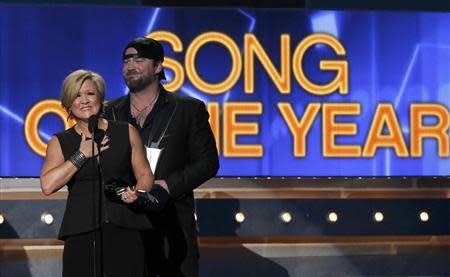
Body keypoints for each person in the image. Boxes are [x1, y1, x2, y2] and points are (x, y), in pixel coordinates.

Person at [105, 37, 219, 277]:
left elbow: (208, 162)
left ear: (158, 67)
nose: (131, 65)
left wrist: (167, 185)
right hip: (122, 224)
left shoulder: (188, 109)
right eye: (127, 60)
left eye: (140, 59)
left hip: (172, 223)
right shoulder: (109, 111)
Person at [40, 69, 169, 277]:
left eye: (90, 94)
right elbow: (47, 185)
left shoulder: (126, 131)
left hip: (125, 228)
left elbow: (145, 175)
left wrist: (138, 192)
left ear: (100, 98)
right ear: (68, 103)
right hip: (81, 232)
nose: (84, 100)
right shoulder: (60, 141)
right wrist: (81, 155)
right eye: (77, 95)